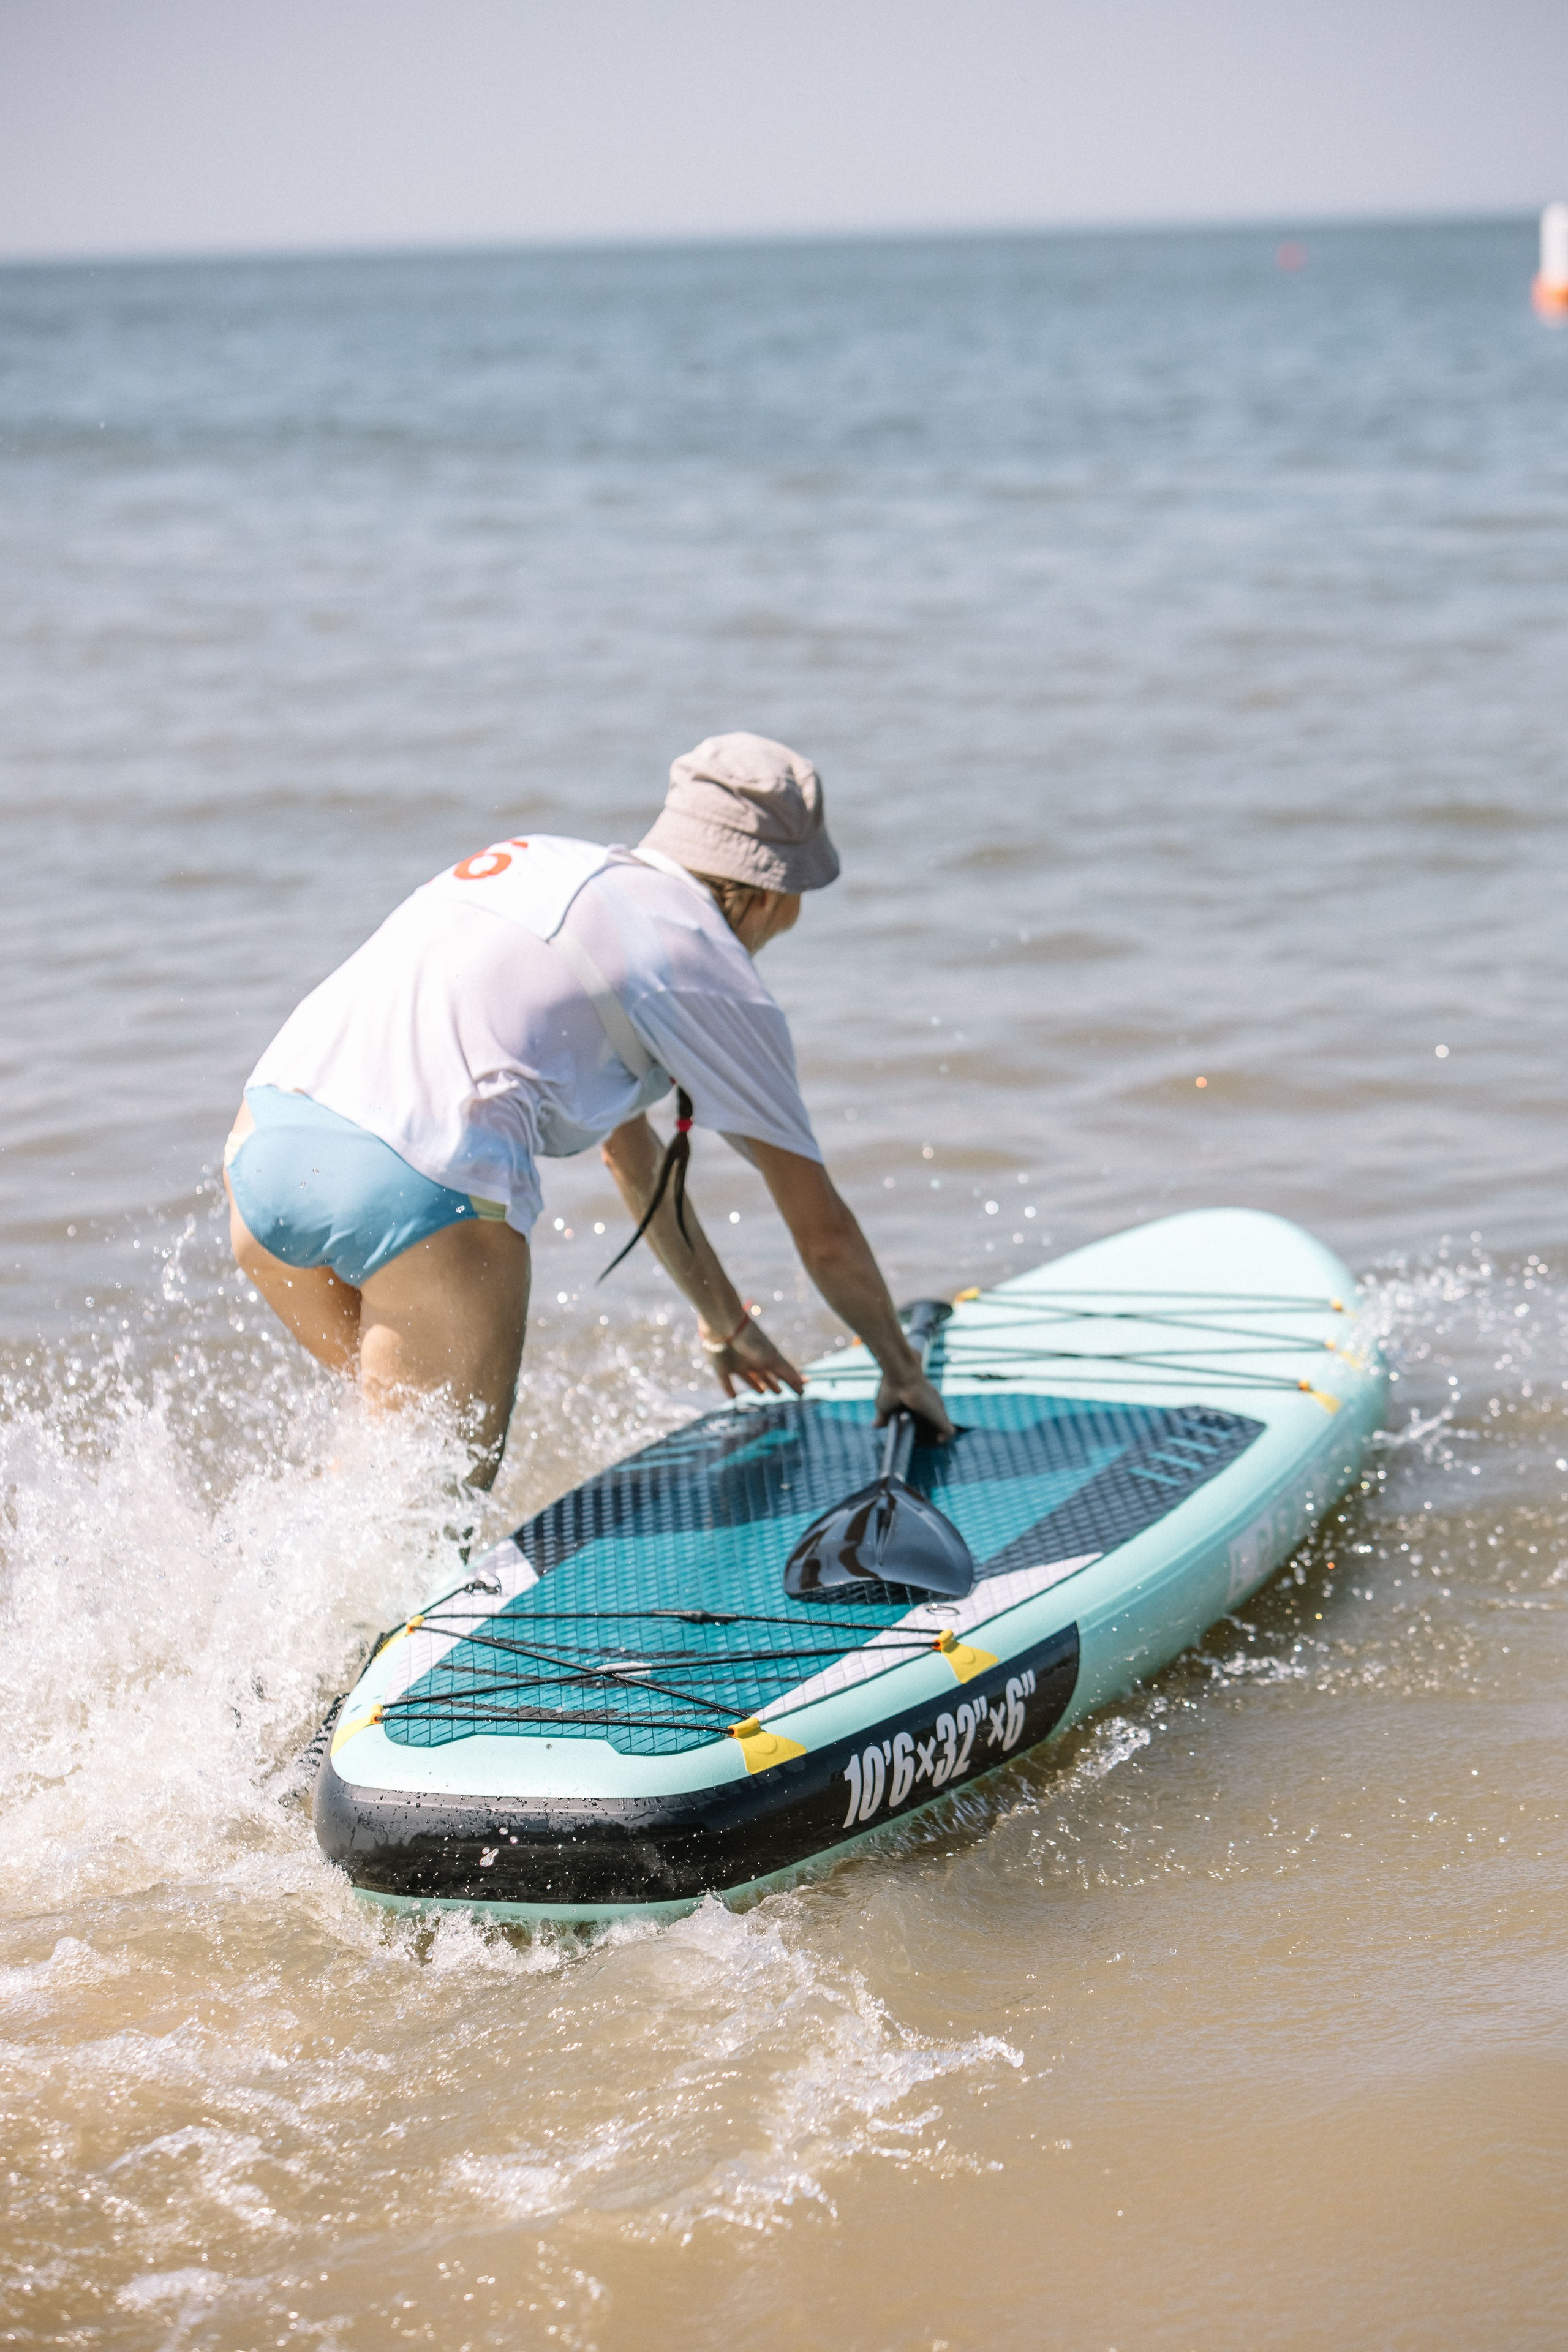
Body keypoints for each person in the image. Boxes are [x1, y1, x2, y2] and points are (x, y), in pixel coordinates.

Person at [224, 731, 953, 1487]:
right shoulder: (706, 965)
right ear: (770, 894)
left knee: (382, 1470)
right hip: (414, 1182)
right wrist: (901, 1371)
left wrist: (723, 1320)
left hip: (264, 1152)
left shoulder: (547, 864)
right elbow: (823, 1233)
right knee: (428, 1508)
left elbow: (628, 1153)